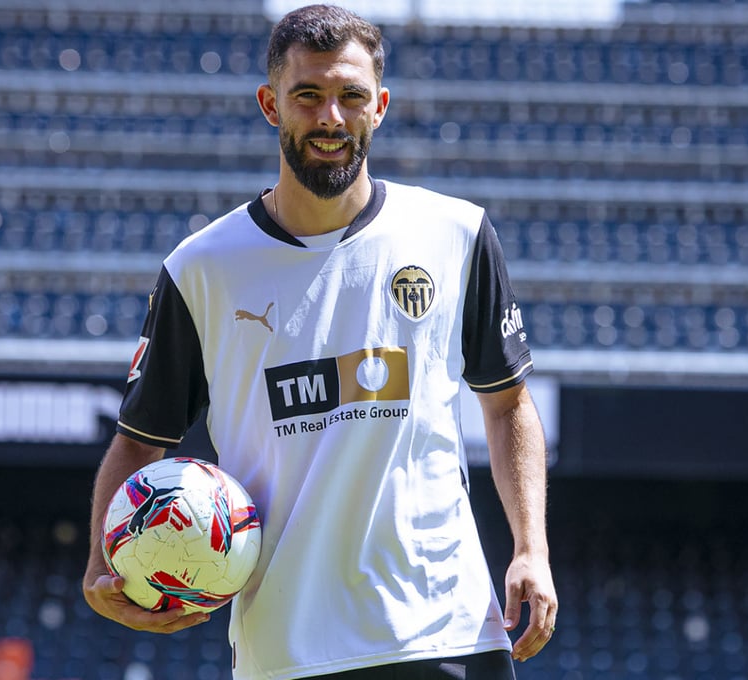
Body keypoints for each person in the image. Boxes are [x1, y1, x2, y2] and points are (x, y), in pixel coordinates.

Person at [82, 4, 557, 678]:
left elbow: (508, 404)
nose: (331, 117)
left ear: (379, 107)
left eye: (351, 96)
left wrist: (530, 548)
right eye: (307, 95)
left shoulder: (456, 234)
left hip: (446, 632)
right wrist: (101, 564)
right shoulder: (201, 269)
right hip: (287, 649)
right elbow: (138, 439)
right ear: (270, 104)